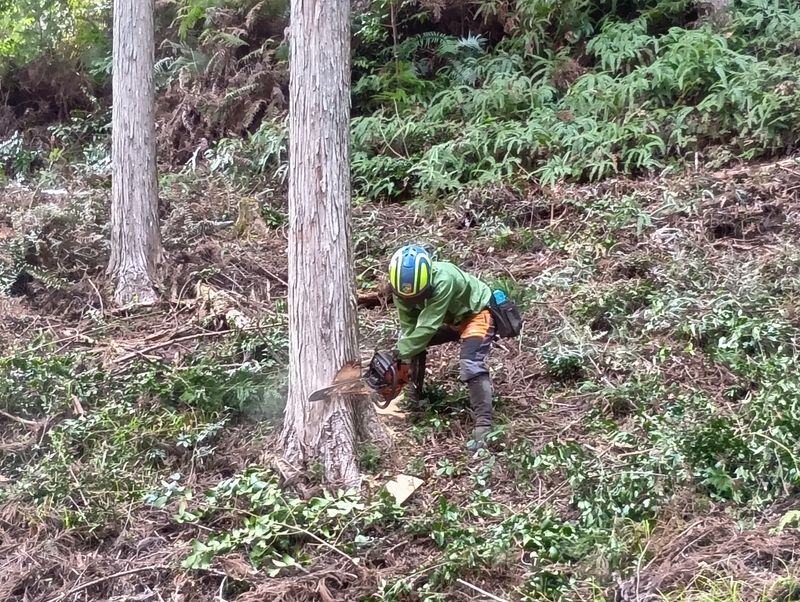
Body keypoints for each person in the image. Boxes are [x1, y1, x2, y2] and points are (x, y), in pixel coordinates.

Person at [388, 244, 496, 450]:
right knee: (411, 344)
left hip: (476, 313)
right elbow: (410, 329)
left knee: (470, 362)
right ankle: (414, 399)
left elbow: (428, 326)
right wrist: (400, 357)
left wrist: (400, 352)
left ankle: (484, 426)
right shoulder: (400, 291)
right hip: (449, 318)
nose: (411, 301)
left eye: (418, 297)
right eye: (408, 298)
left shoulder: (443, 280)